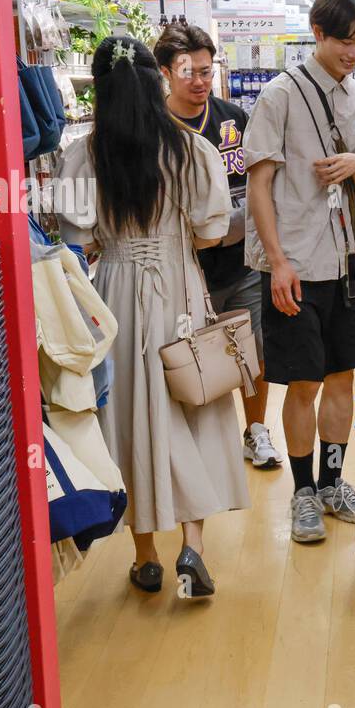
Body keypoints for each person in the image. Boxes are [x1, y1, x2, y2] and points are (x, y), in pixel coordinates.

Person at [55, 36, 250, 599]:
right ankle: (194, 545)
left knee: (130, 414)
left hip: (114, 291)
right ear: (158, 82)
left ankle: (145, 557)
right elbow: (213, 231)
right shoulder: (191, 150)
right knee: (194, 401)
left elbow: (78, 240)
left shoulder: (83, 155)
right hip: (180, 286)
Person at [243, 0, 355, 543]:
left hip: (346, 260)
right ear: (318, 33)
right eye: (346, 41)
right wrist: (276, 261)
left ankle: (332, 483)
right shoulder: (280, 95)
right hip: (294, 263)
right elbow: (259, 185)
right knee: (301, 381)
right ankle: (302, 493)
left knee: (342, 377)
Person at [153, 22, 282, 471]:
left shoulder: (233, 118)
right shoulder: (152, 126)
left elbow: (259, 184)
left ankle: (257, 431)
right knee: (187, 354)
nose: (200, 81)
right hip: (181, 267)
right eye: (189, 72)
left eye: (207, 71)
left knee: (254, 349)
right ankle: (193, 443)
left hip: (241, 258)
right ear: (166, 72)